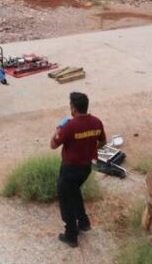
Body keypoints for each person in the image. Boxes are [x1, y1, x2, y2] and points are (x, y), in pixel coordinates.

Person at [50, 92, 106, 248]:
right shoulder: (97, 122)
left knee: (66, 200)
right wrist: (88, 147)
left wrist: (58, 128)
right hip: (86, 168)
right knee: (74, 192)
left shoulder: (70, 126)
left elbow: (53, 145)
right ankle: (83, 222)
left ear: (73, 108)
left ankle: (71, 235)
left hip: (69, 169)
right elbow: (102, 142)